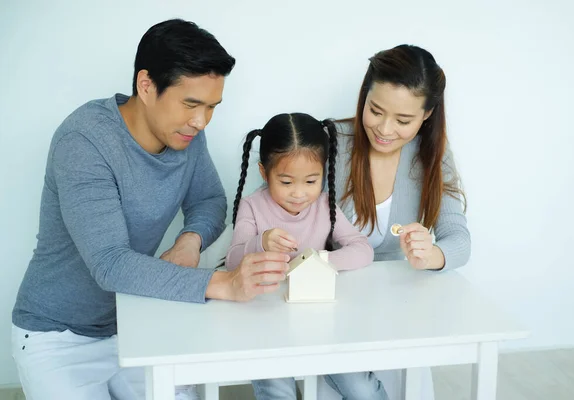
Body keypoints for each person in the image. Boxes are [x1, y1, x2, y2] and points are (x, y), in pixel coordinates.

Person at [11, 19, 289, 400]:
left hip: (140, 322)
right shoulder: (84, 141)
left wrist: (191, 240)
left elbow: (209, 200)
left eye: (211, 107)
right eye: (191, 104)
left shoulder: (187, 135)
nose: (201, 121)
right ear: (146, 85)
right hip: (59, 338)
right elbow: (110, 262)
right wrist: (225, 283)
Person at [323, 45, 472, 399]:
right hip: (330, 310)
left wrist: (431, 254)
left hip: (394, 309)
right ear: (364, 97)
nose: (385, 129)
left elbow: (459, 239)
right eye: (375, 111)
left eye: (403, 121)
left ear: (427, 115)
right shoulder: (328, 143)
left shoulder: (432, 155)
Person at [225, 113, 374, 399]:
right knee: (277, 390)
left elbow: (362, 249)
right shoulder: (253, 207)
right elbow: (233, 261)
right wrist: (262, 242)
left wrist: (319, 261)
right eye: (285, 181)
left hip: (321, 321)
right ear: (263, 172)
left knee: (361, 387)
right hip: (266, 322)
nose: (298, 194)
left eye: (310, 181)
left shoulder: (324, 205)